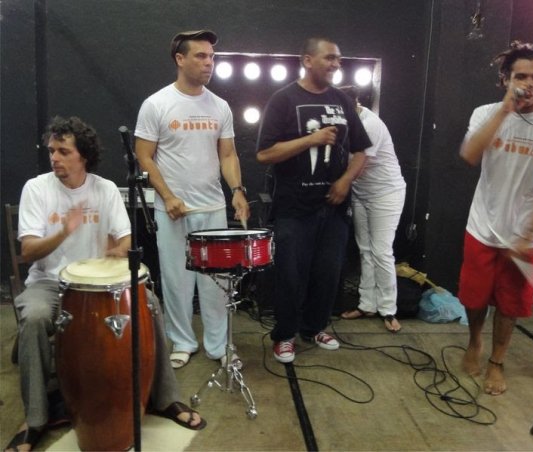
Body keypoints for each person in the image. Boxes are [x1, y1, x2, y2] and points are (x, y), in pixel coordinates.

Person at [5, 116, 206, 452]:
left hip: (96, 287)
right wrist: (64, 231)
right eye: (52, 151)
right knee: (36, 317)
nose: (54, 157)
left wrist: (117, 251)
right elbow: (28, 251)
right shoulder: (37, 189)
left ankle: (165, 399)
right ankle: (35, 420)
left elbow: (125, 239)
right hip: (50, 284)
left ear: (83, 155)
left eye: (63, 151)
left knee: (150, 304)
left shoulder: (105, 189)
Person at [458, 41, 533, 395]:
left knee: (510, 304)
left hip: (526, 233)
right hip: (482, 225)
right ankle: (474, 340)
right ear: (505, 79)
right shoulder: (485, 113)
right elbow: (470, 155)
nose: (529, 83)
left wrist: (527, 234)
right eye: (521, 76)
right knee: (474, 299)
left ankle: (497, 362)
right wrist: (505, 111)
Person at [135, 30, 250, 369]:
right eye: (201, 56)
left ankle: (219, 346)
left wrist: (237, 190)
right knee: (176, 281)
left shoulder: (220, 106)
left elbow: (227, 154)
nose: (209, 63)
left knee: (216, 283)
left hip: (212, 208)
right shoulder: (156, 104)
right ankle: (183, 342)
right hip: (173, 211)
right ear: (180, 59)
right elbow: (144, 156)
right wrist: (168, 196)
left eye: (212, 56)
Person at [256, 37, 372, 363]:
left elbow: (362, 151)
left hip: (333, 208)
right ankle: (284, 335)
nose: (336, 64)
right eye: (329, 58)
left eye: (339, 59)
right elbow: (264, 153)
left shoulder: (342, 100)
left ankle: (314, 327)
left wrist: (345, 181)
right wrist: (312, 139)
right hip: (294, 208)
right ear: (307, 60)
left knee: (327, 274)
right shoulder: (283, 99)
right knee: (290, 276)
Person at [338, 85, 406, 333]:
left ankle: (388, 309)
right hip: (361, 193)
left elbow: (358, 166)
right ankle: (367, 304)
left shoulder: (370, 125)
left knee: (381, 251)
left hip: (386, 194)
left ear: (353, 105)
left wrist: (336, 183)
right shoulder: (345, 122)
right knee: (365, 250)